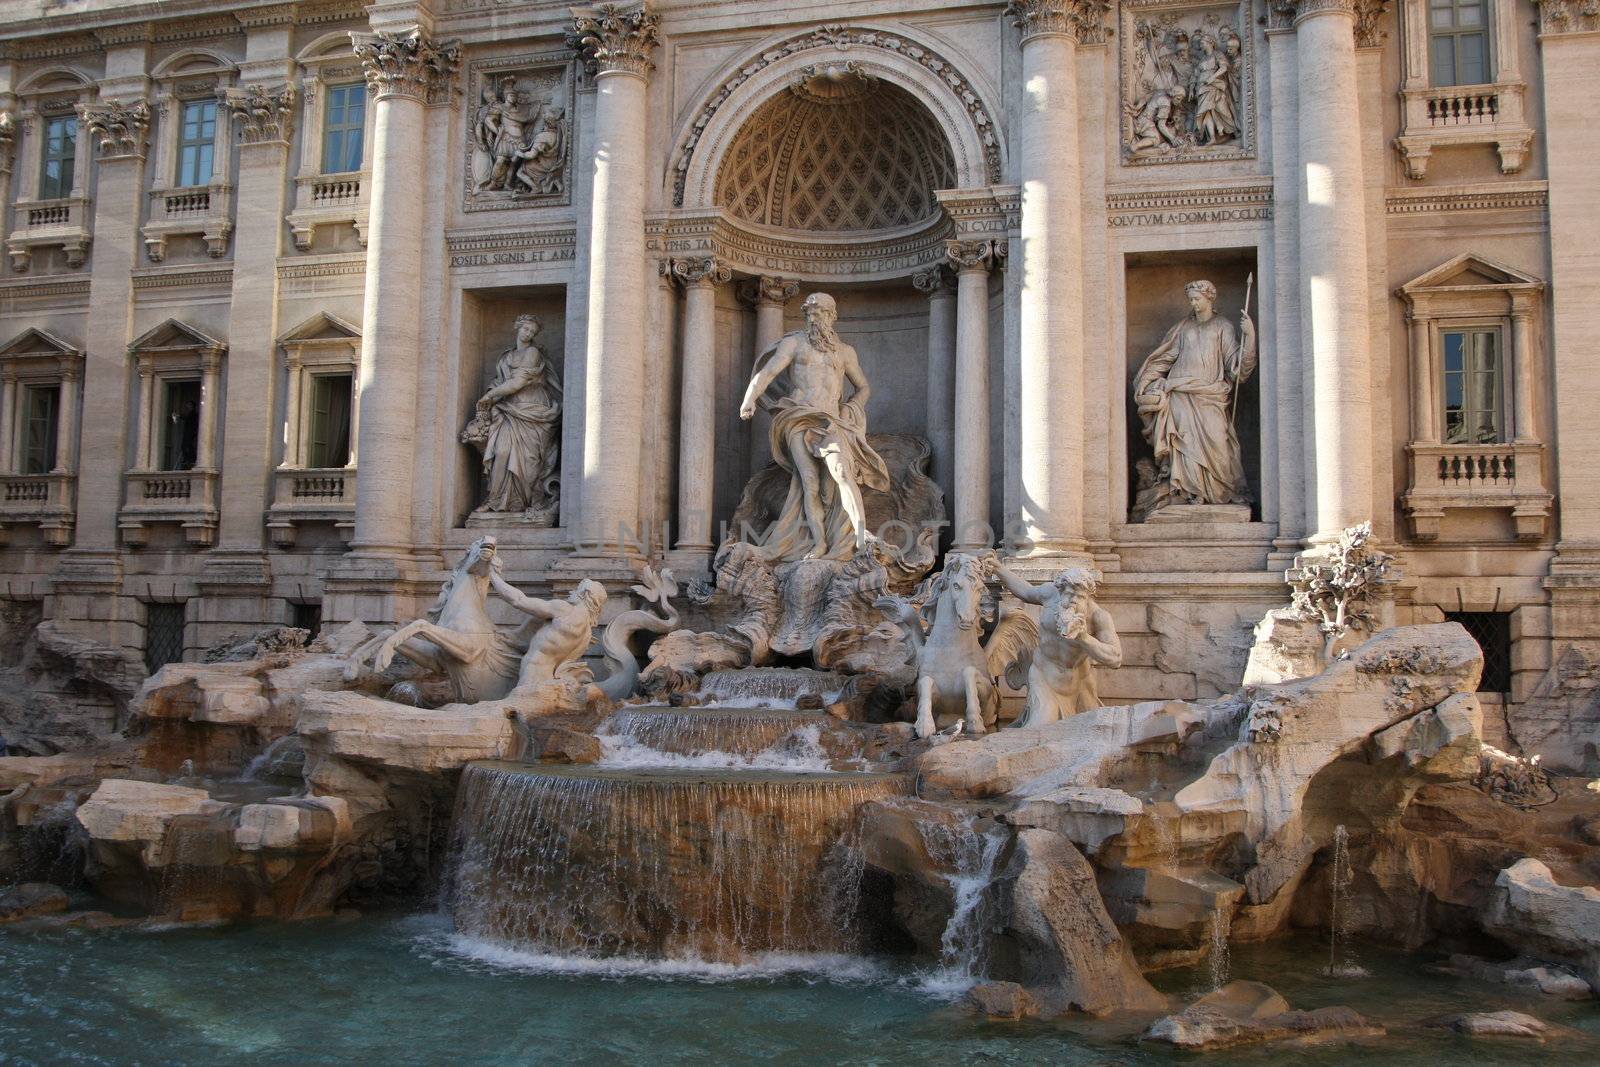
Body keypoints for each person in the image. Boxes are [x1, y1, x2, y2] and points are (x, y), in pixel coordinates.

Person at [737, 292, 889, 561]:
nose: (813, 318)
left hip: (830, 421)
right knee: (809, 482)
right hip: (798, 416)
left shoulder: (845, 352)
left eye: (819, 313)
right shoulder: (795, 344)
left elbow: (863, 387)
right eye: (809, 313)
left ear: (832, 316)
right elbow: (769, 372)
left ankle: (862, 534)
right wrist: (750, 398)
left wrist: (851, 406)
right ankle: (819, 544)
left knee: (842, 472)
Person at [1133, 279, 1256, 509]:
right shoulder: (1183, 328)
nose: (1194, 304)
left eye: (1197, 299)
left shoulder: (1223, 327)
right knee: (1184, 443)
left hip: (1210, 395)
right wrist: (1147, 379)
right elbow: (1164, 358)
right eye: (1190, 300)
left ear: (1209, 299)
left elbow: (1237, 367)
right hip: (1180, 393)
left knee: (1218, 441)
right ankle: (1188, 492)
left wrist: (1249, 337)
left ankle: (1218, 491)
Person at [992, 559, 1122, 726]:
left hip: (1079, 683)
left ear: (1089, 597)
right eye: (1069, 594)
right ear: (1060, 591)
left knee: (1087, 734)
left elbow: (1116, 658)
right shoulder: (1049, 595)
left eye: (1080, 597)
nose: (1073, 600)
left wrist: (1083, 637)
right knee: (1041, 728)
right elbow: (1025, 591)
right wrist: (999, 569)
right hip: (1044, 676)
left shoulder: (1099, 616)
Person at [466, 314, 561, 518]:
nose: (528, 334)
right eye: (526, 329)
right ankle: (495, 501)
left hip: (532, 409)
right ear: (518, 327)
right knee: (501, 452)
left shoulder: (533, 352)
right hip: (509, 409)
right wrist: (493, 392)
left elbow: (517, 383)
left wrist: (490, 395)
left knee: (528, 460)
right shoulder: (506, 356)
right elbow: (500, 380)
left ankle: (524, 503)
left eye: (533, 332)